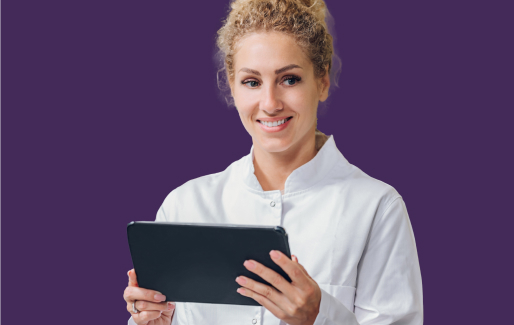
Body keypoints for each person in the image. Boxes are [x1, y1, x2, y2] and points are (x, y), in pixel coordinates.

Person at [123, 0, 423, 324]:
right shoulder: (184, 207)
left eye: (289, 79)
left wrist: (319, 317)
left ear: (322, 80)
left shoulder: (376, 208)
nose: (270, 103)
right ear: (233, 85)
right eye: (252, 82)